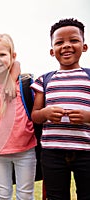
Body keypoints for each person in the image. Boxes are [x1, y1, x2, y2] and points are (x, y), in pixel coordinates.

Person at [31, 18, 90, 200]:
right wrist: (46, 113)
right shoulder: (45, 80)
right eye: (59, 42)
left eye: (73, 40)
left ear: (84, 46)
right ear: (52, 51)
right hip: (52, 152)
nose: (66, 46)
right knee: (56, 197)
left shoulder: (88, 76)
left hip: (86, 152)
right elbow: (35, 115)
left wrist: (88, 116)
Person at [0, 34, 37, 199]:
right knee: (2, 194)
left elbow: (16, 65)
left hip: (26, 149)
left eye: (2, 55)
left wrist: (13, 74)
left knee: (25, 195)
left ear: (13, 55)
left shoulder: (25, 83)